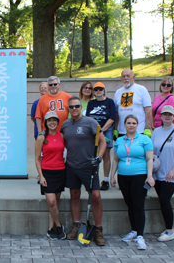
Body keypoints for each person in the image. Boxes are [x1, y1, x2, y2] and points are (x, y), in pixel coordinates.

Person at [61, 97, 107, 246]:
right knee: (74, 195)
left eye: (77, 106)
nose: (74, 109)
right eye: (71, 107)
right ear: (69, 109)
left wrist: (99, 157)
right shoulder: (65, 125)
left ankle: (98, 230)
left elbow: (103, 141)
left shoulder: (91, 123)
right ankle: (76, 226)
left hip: (89, 166)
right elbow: (62, 141)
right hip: (72, 166)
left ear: (81, 107)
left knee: (96, 197)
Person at [110, 114, 155, 250]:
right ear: (124, 125)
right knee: (129, 203)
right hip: (123, 176)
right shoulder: (119, 141)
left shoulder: (144, 139)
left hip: (139, 176)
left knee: (138, 204)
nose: (131, 125)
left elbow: (150, 159)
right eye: (128, 123)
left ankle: (140, 235)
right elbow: (115, 160)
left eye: (134, 123)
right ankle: (134, 230)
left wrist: (150, 176)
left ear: (137, 125)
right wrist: (112, 175)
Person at [151, 105, 174, 241]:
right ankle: (168, 229)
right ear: (161, 116)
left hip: (171, 173)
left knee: (164, 199)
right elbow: (151, 153)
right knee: (162, 200)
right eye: (165, 114)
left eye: (170, 114)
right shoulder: (156, 132)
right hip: (157, 173)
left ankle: (169, 230)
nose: (167, 116)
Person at [35, 111, 66, 240]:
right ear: (45, 123)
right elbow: (37, 159)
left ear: (57, 122)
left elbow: (64, 155)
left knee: (55, 203)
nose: (52, 123)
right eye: (49, 120)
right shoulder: (41, 138)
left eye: (54, 120)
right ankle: (59, 226)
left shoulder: (62, 136)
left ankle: (50, 229)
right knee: (52, 202)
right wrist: (41, 176)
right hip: (47, 173)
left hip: (60, 171)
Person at [86, 82, 115, 191]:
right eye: (96, 89)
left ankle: (106, 180)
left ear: (104, 90)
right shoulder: (91, 103)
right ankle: (94, 179)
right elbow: (88, 117)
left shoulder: (110, 102)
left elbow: (112, 118)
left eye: (100, 89)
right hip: (93, 130)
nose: (98, 91)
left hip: (106, 129)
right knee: (93, 154)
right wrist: (95, 131)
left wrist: (101, 130)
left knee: (105, 155)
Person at [114, 69, 153, 138]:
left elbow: (148, 110)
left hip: (139, 131)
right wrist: (115, 129)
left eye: (128, 76)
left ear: (133, 77)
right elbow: (116, 113)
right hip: (122, 132)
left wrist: (147, 128)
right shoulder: (118, 92)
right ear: (121, 78)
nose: (126, 78)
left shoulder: (141, 89)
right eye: (123, 76)